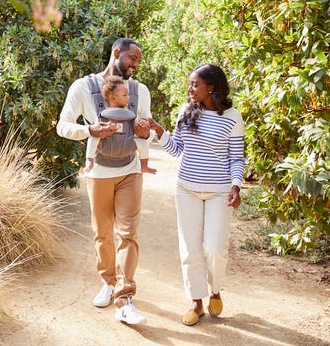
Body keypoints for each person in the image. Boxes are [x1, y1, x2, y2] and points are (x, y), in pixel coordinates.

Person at [56, 38, 152, 325]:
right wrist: (90, 130)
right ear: (116, 53)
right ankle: (108, 282)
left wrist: (145, 134)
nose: (135, 64)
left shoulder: (140, 91)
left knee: (128, 234)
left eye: (138, 60)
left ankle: (125, 298)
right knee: (102, 233)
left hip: (130, 170)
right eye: (132, 58)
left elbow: (146, 129)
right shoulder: (83, 87)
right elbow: (63, 125)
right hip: (99, 172)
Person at [148, 63, 245, 326]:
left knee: (214, 248)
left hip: (219, 192)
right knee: (190, 249)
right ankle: (196, 302)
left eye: (195, 84)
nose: (189, 88)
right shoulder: (186, 111)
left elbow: (237, 157)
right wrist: (159, 131)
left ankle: (215, 289)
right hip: (186, 189)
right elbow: (177, 149)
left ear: (210, 88)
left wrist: (236, 185)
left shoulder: (233, 117)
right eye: (190, 83)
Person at [84, 74, 156, 175]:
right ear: (112, 98)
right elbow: (97, 128)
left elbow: (135, 127)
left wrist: (141, 125)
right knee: (92, 137)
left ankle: (144, 166)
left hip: (127, 145)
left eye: (128, 95)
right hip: (105, 146)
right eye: (125, 95)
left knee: (143, 144)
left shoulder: (131, 115)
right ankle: (90, 161)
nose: (129, 98)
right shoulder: (103, 116)